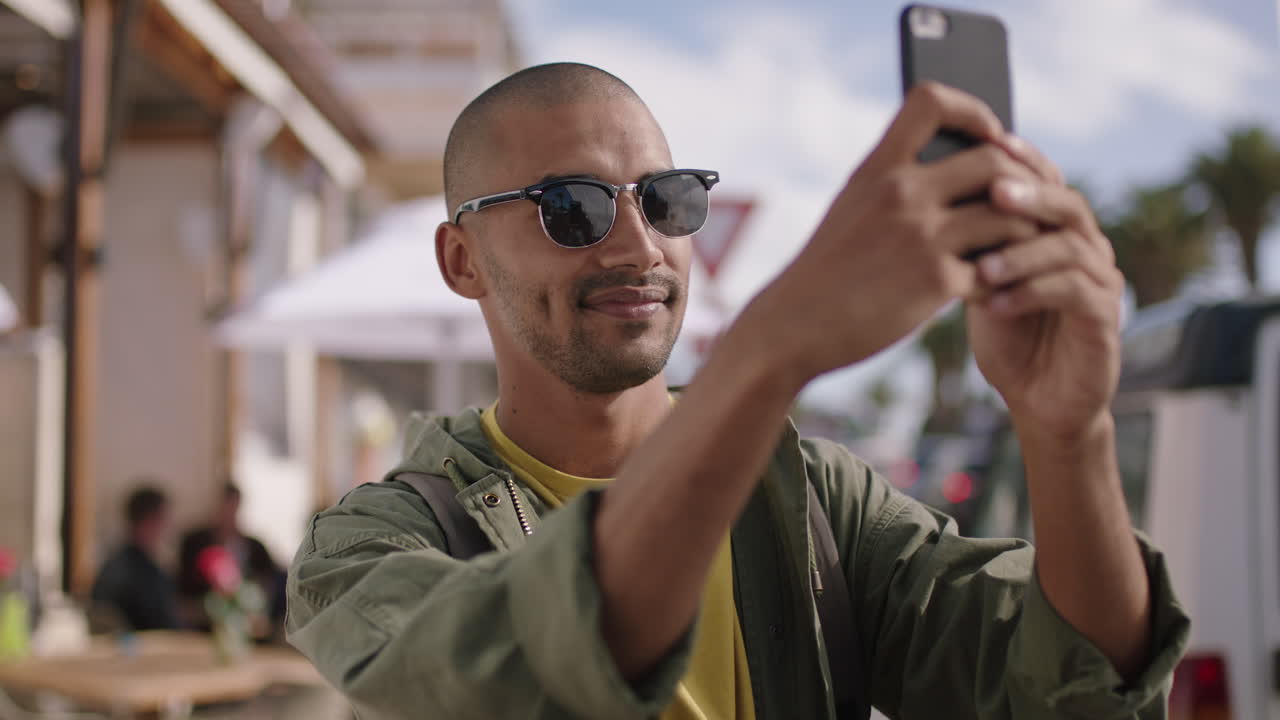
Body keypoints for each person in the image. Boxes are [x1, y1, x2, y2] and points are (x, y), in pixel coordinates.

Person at [285, 63, 1190, 719]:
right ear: (462, 260)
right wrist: (771, 351)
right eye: (572, 205)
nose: (638, 247)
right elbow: (518, 679)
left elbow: (1074, 685)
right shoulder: (372, 546)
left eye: (667, 200)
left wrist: (1068, 433)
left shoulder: (814, 500)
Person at [178, 482, 284, 631]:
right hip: (204, 622)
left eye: (233, 506)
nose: (229, 512)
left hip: (248, 623)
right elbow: (184, 589)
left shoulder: (255, 547)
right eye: (225, 505)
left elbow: (269, 582)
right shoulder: (195, 543)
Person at [91, 484, 180, 632]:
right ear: (150, 521)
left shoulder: (115, 563)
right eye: (165, 519)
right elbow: (162, 624)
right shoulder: (137, 572)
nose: (169, 527)